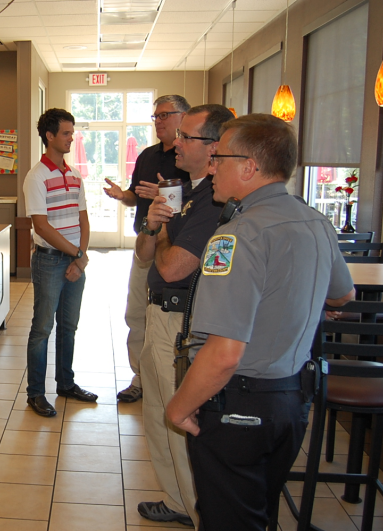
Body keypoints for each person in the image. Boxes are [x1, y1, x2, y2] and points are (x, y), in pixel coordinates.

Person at [166, 114, 355, 531]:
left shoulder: (238, 235)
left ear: (249, 167)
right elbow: (343, 294)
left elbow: (224, 354)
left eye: (220, 158)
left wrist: (178, 408)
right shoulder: (316, 222)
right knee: (258, 514)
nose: (211, 167)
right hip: (292, 400)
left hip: (240, 406)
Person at [135, 104, 234, 527]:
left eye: (187, 137)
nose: (176, 142)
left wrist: (160, 240)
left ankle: (198, 512)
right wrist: (155, 226)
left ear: (214, 148)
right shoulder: (186, 193)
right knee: (159, 417)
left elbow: (174, 267)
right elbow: (144, 255)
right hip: (159, 315)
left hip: (181, 322)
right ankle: (177, 500)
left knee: (179, 418)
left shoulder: (215, 201)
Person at [104, 95, 191, 404]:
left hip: (180, 250)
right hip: (145, 246)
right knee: (136, 314)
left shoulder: (190, 159)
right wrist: (121, 195)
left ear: (184, 117)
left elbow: (198, 203)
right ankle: (139, 378)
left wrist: (167, 195)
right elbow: (135, 196)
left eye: (165, 115)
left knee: (171, 322)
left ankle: (168, 380)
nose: (158, 121)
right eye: (156, 116)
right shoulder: (147, 155)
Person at [23, 108, 97, 418]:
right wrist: (78, 256)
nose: (71, 138)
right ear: (49, 136)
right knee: (42, 328)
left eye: (72, 132)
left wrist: (79, 259)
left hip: (73, 263)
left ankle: (66, 383)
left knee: (69, 326)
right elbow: (41, 227)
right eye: (66, 133)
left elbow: (83, 220)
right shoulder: (36, 177)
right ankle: (35, 394)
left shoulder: (75, 175)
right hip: (49, 262)